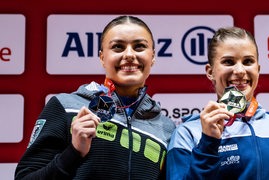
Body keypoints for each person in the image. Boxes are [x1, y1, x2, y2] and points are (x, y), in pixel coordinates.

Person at [15, 15, 176, 179]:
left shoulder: (167, 129)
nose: (129, 54)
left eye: (139, 47)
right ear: (102, 57)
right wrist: (74, 152)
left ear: (153, 56)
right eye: (118, 47)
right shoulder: (66, 107)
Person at [166, 26, 269, 180]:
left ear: (258, 69)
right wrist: (208, 143)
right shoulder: (188, 134)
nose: (240, 70)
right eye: (229, 62)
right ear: (210, 72)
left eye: (248, 61)